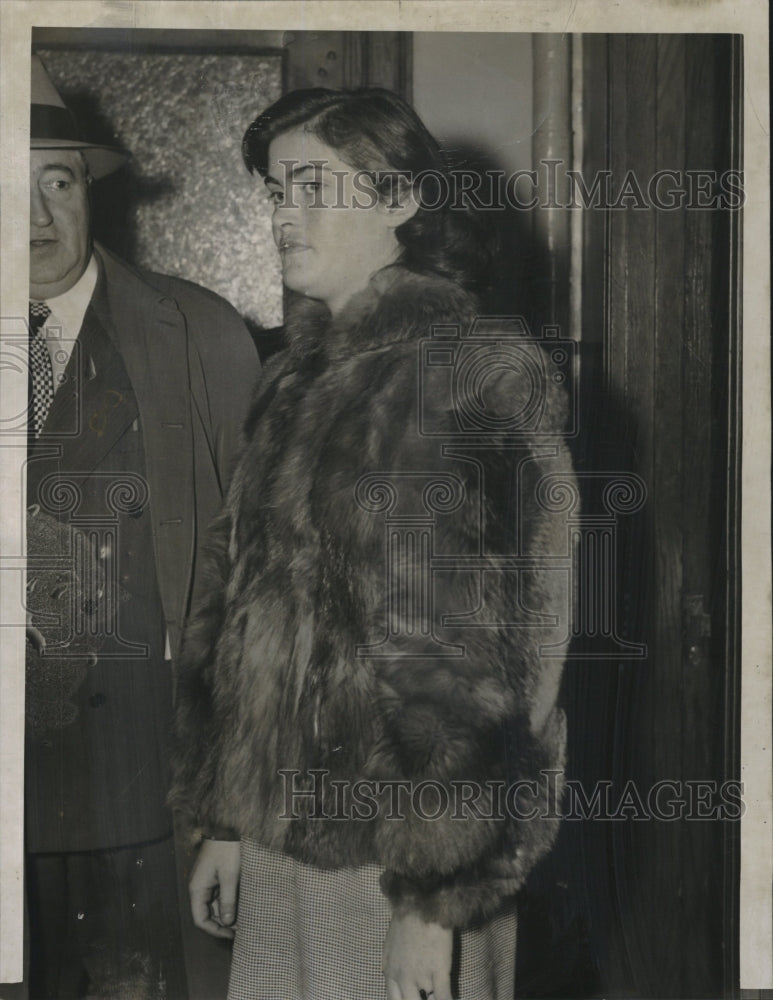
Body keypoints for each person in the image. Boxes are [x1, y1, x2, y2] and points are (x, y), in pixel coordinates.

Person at [172, 87, 574, 1000]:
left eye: (313, 187)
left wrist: (433, 898)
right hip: (281, 838)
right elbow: (234, 618)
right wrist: (225, 822)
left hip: (401, 856)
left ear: (400, 198)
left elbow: (495, 664)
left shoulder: (467, 373)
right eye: (276, 191)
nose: (284, 215)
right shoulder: (291, 382)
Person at [23, 55, 261, 1000]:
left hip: (150, 787)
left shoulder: (200, 334)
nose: (37, 218)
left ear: (90, 189)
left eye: (58, 182)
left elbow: (259, 586)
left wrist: (232, 809)